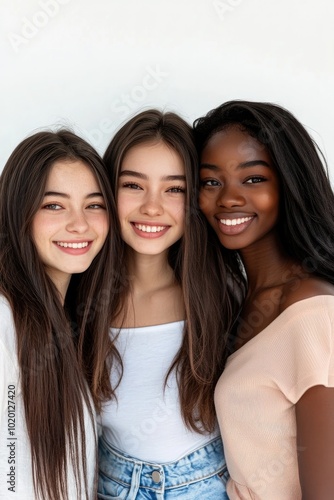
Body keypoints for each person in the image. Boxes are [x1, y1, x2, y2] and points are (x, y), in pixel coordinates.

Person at [194, 99, 334, 499]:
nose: (229, 199)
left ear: (288, 183)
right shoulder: (238, 300)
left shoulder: (312, 313)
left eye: (253, 179)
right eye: (211, 181)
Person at [97, 109, 237, 499]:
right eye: (133, 185)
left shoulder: (222, 294)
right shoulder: (82, 302)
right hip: (112, 485)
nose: (152, 207)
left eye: (173, 189)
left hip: (208, 484)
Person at [0, 130, 120, 500]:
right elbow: (9, 470)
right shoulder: (5, 317)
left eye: (94, 205)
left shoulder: (72, 321)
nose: (79, 224)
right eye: (54, 205)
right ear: (19, 211)